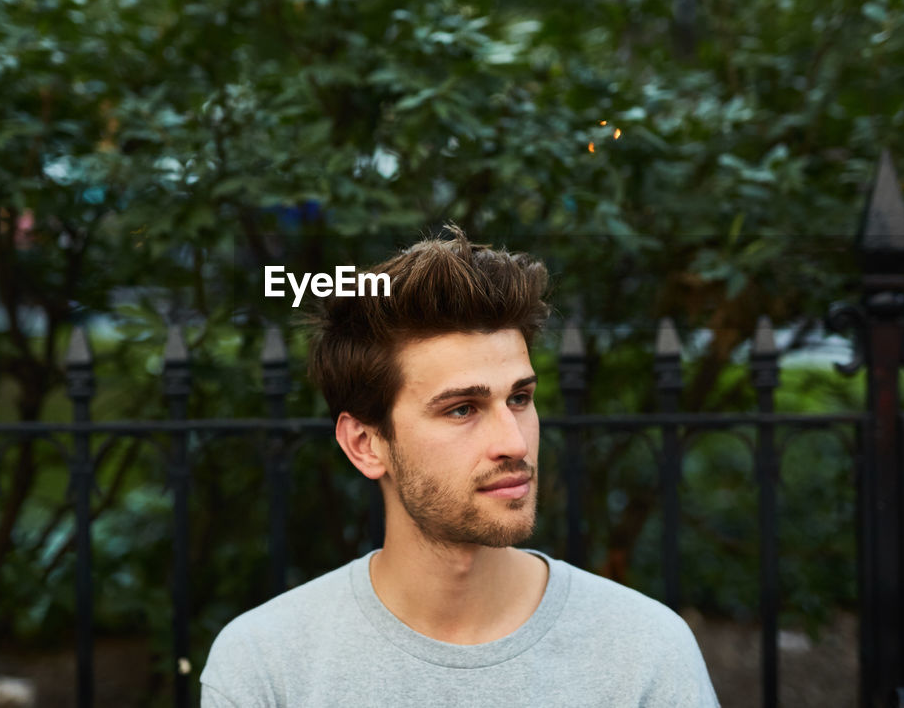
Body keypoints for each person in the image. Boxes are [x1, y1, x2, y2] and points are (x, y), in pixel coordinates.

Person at [200, 226, 720, 707]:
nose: (513, 443)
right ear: (364, 444)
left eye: (519, 398)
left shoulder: (646, 651)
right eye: (462, 409)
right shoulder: (266, 667)